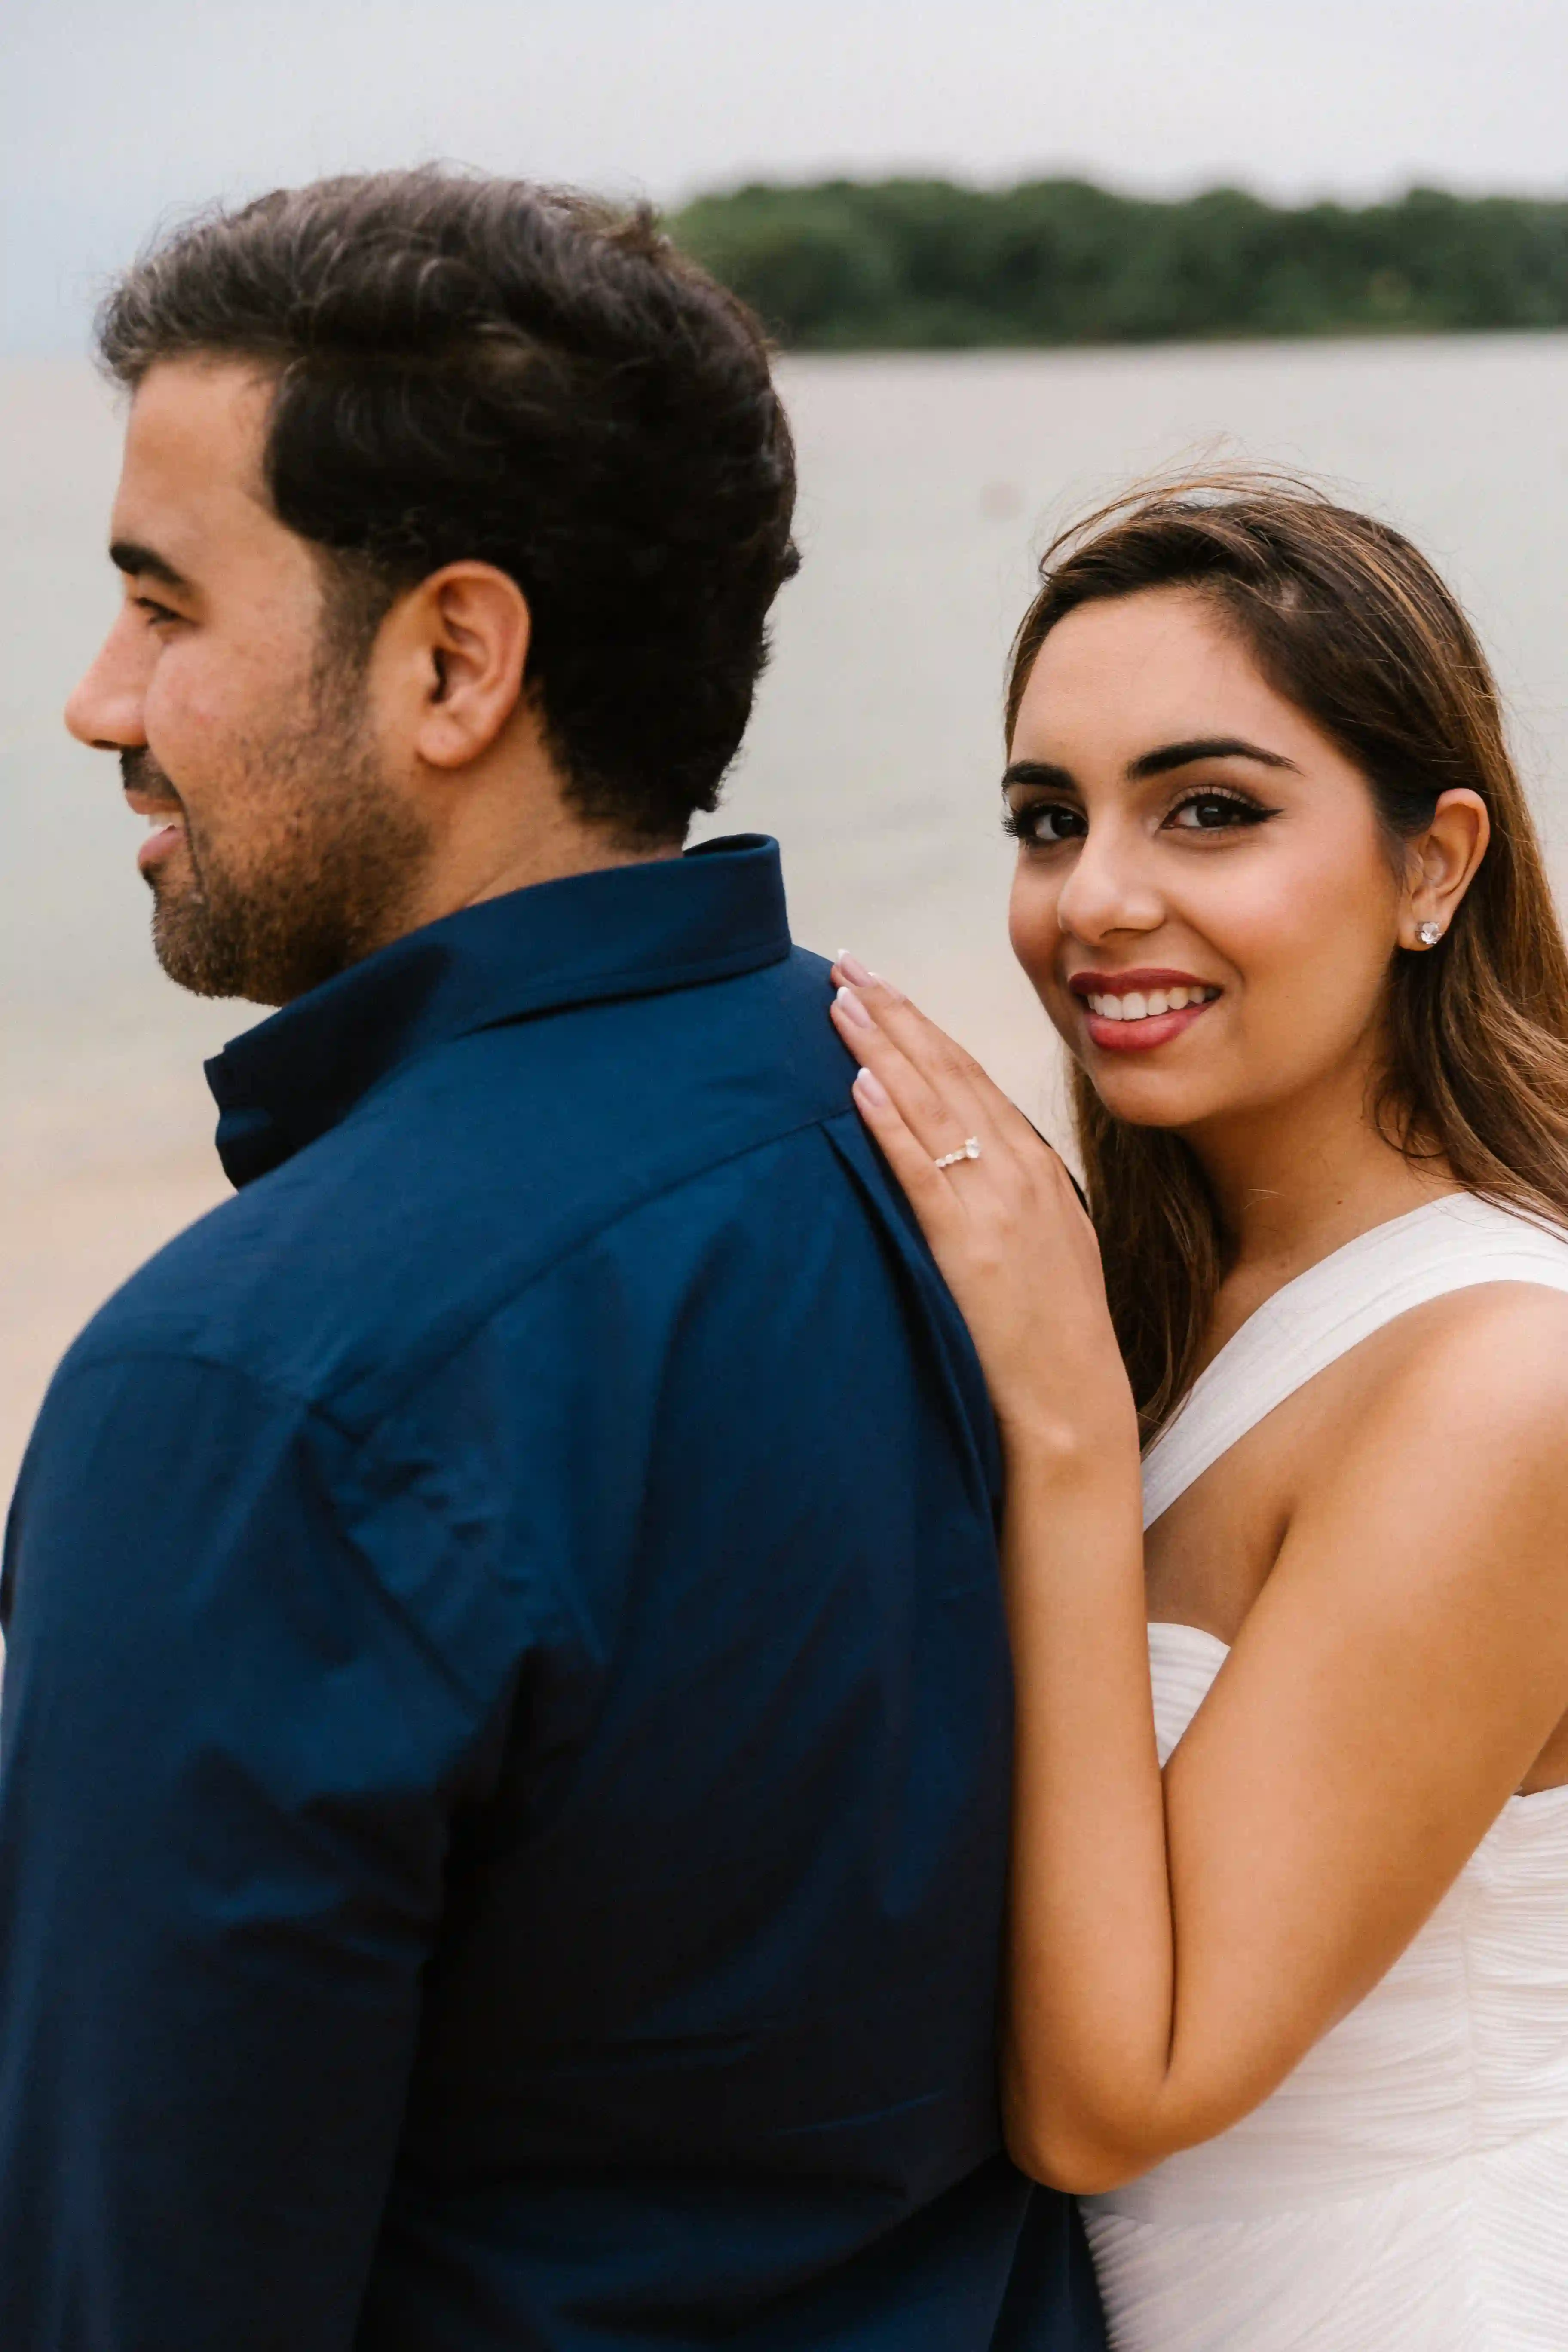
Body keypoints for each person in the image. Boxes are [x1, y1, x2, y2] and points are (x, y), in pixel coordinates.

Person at [0, 171, 1106, 2352]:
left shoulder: (253, 1396)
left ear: (453, 659)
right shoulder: (956, 1171)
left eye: (166, 606)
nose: (98, 702)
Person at [828, 480, 1568, 2351]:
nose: (1097, 900)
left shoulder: (1501, 1378)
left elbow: (1114, 2096)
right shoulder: (1177, 1304)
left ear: (1434, 865)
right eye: (1047, 821)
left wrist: (1064, 1439)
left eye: (1211, 811)